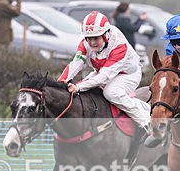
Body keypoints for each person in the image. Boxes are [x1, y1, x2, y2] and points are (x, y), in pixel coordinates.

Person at [58, 11, 153, 143]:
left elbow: (104, 77)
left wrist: (78, 87)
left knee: (111, 92)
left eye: (96, 38)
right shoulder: (85, 43)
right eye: (89, 39)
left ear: (106, 35)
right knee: (82, 92)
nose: (92, 43)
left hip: (128, 75)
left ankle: (145, 123)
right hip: (103, 71)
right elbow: (76, 63)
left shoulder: (119, 44)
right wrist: (60, 83)